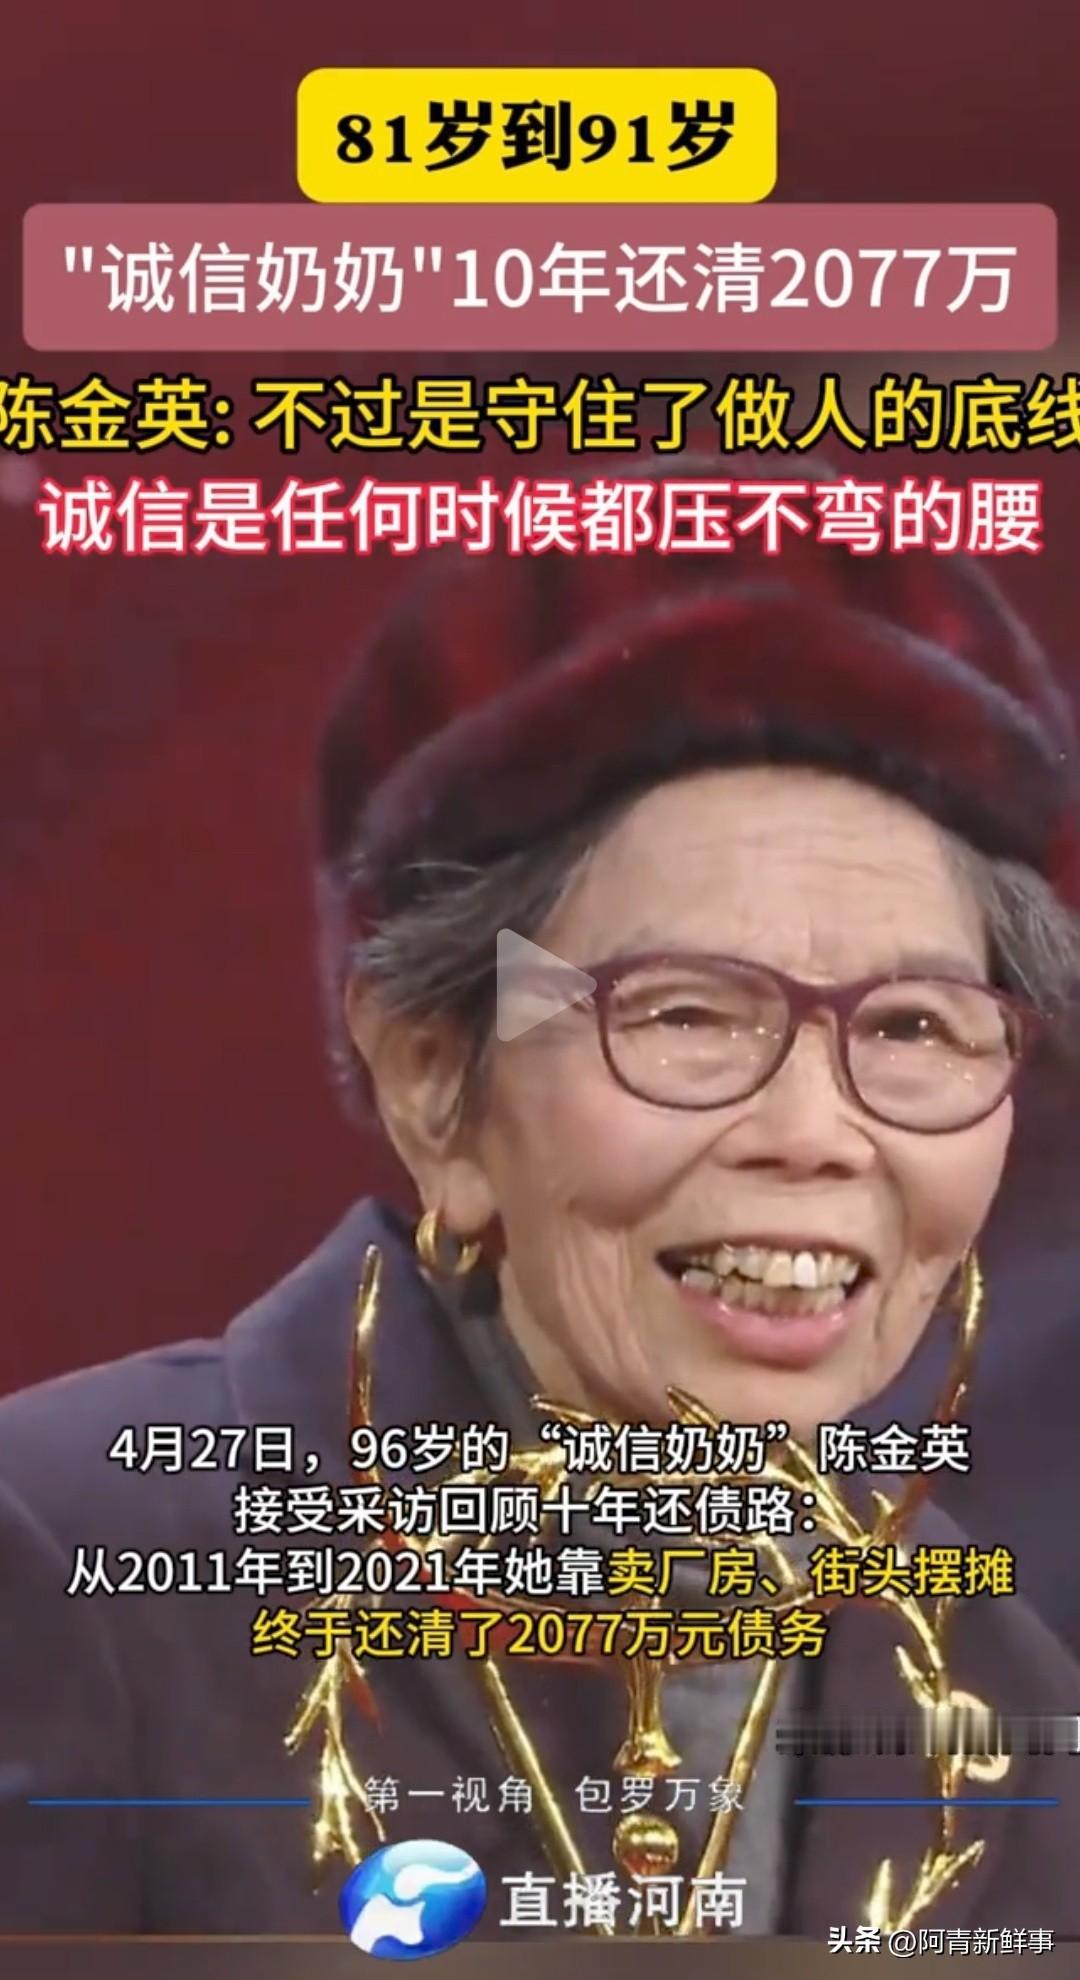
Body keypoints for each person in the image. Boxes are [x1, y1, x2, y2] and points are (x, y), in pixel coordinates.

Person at [2, 488, 1080, 1939]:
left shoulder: (1001, 1691)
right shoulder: (69, 1554)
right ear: (433, 1082)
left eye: (915, 1029)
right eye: (686, 1015)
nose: (818, 1137)